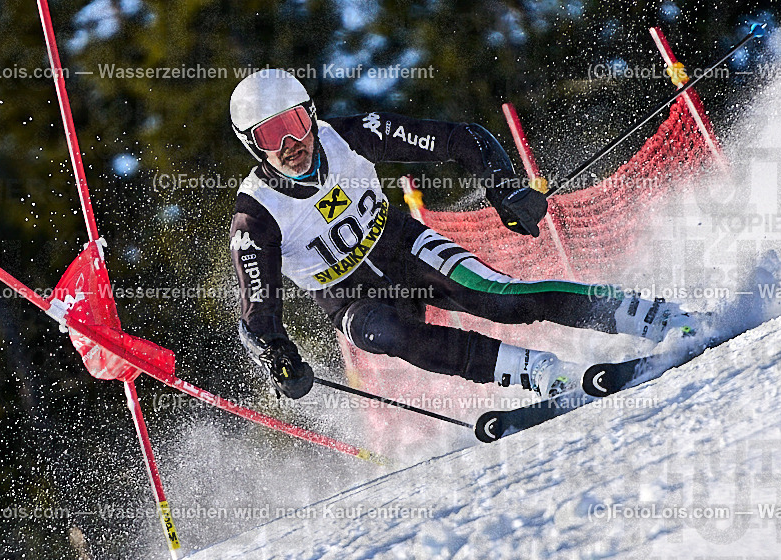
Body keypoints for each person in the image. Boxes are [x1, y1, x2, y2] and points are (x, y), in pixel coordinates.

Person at [228, 69, 702, 400]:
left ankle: (654, 316)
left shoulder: (349, 135)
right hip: (350, 297)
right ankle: (537, 371)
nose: (291, 144)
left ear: (311, 115)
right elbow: (258, 308)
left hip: (404, 247)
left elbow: (461, 138)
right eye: (271, 136)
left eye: (295, 123)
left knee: (499, 298)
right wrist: (278, 357)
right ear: (251, 144)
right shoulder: (256, 215)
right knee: (387, 334)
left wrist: (504, 190)